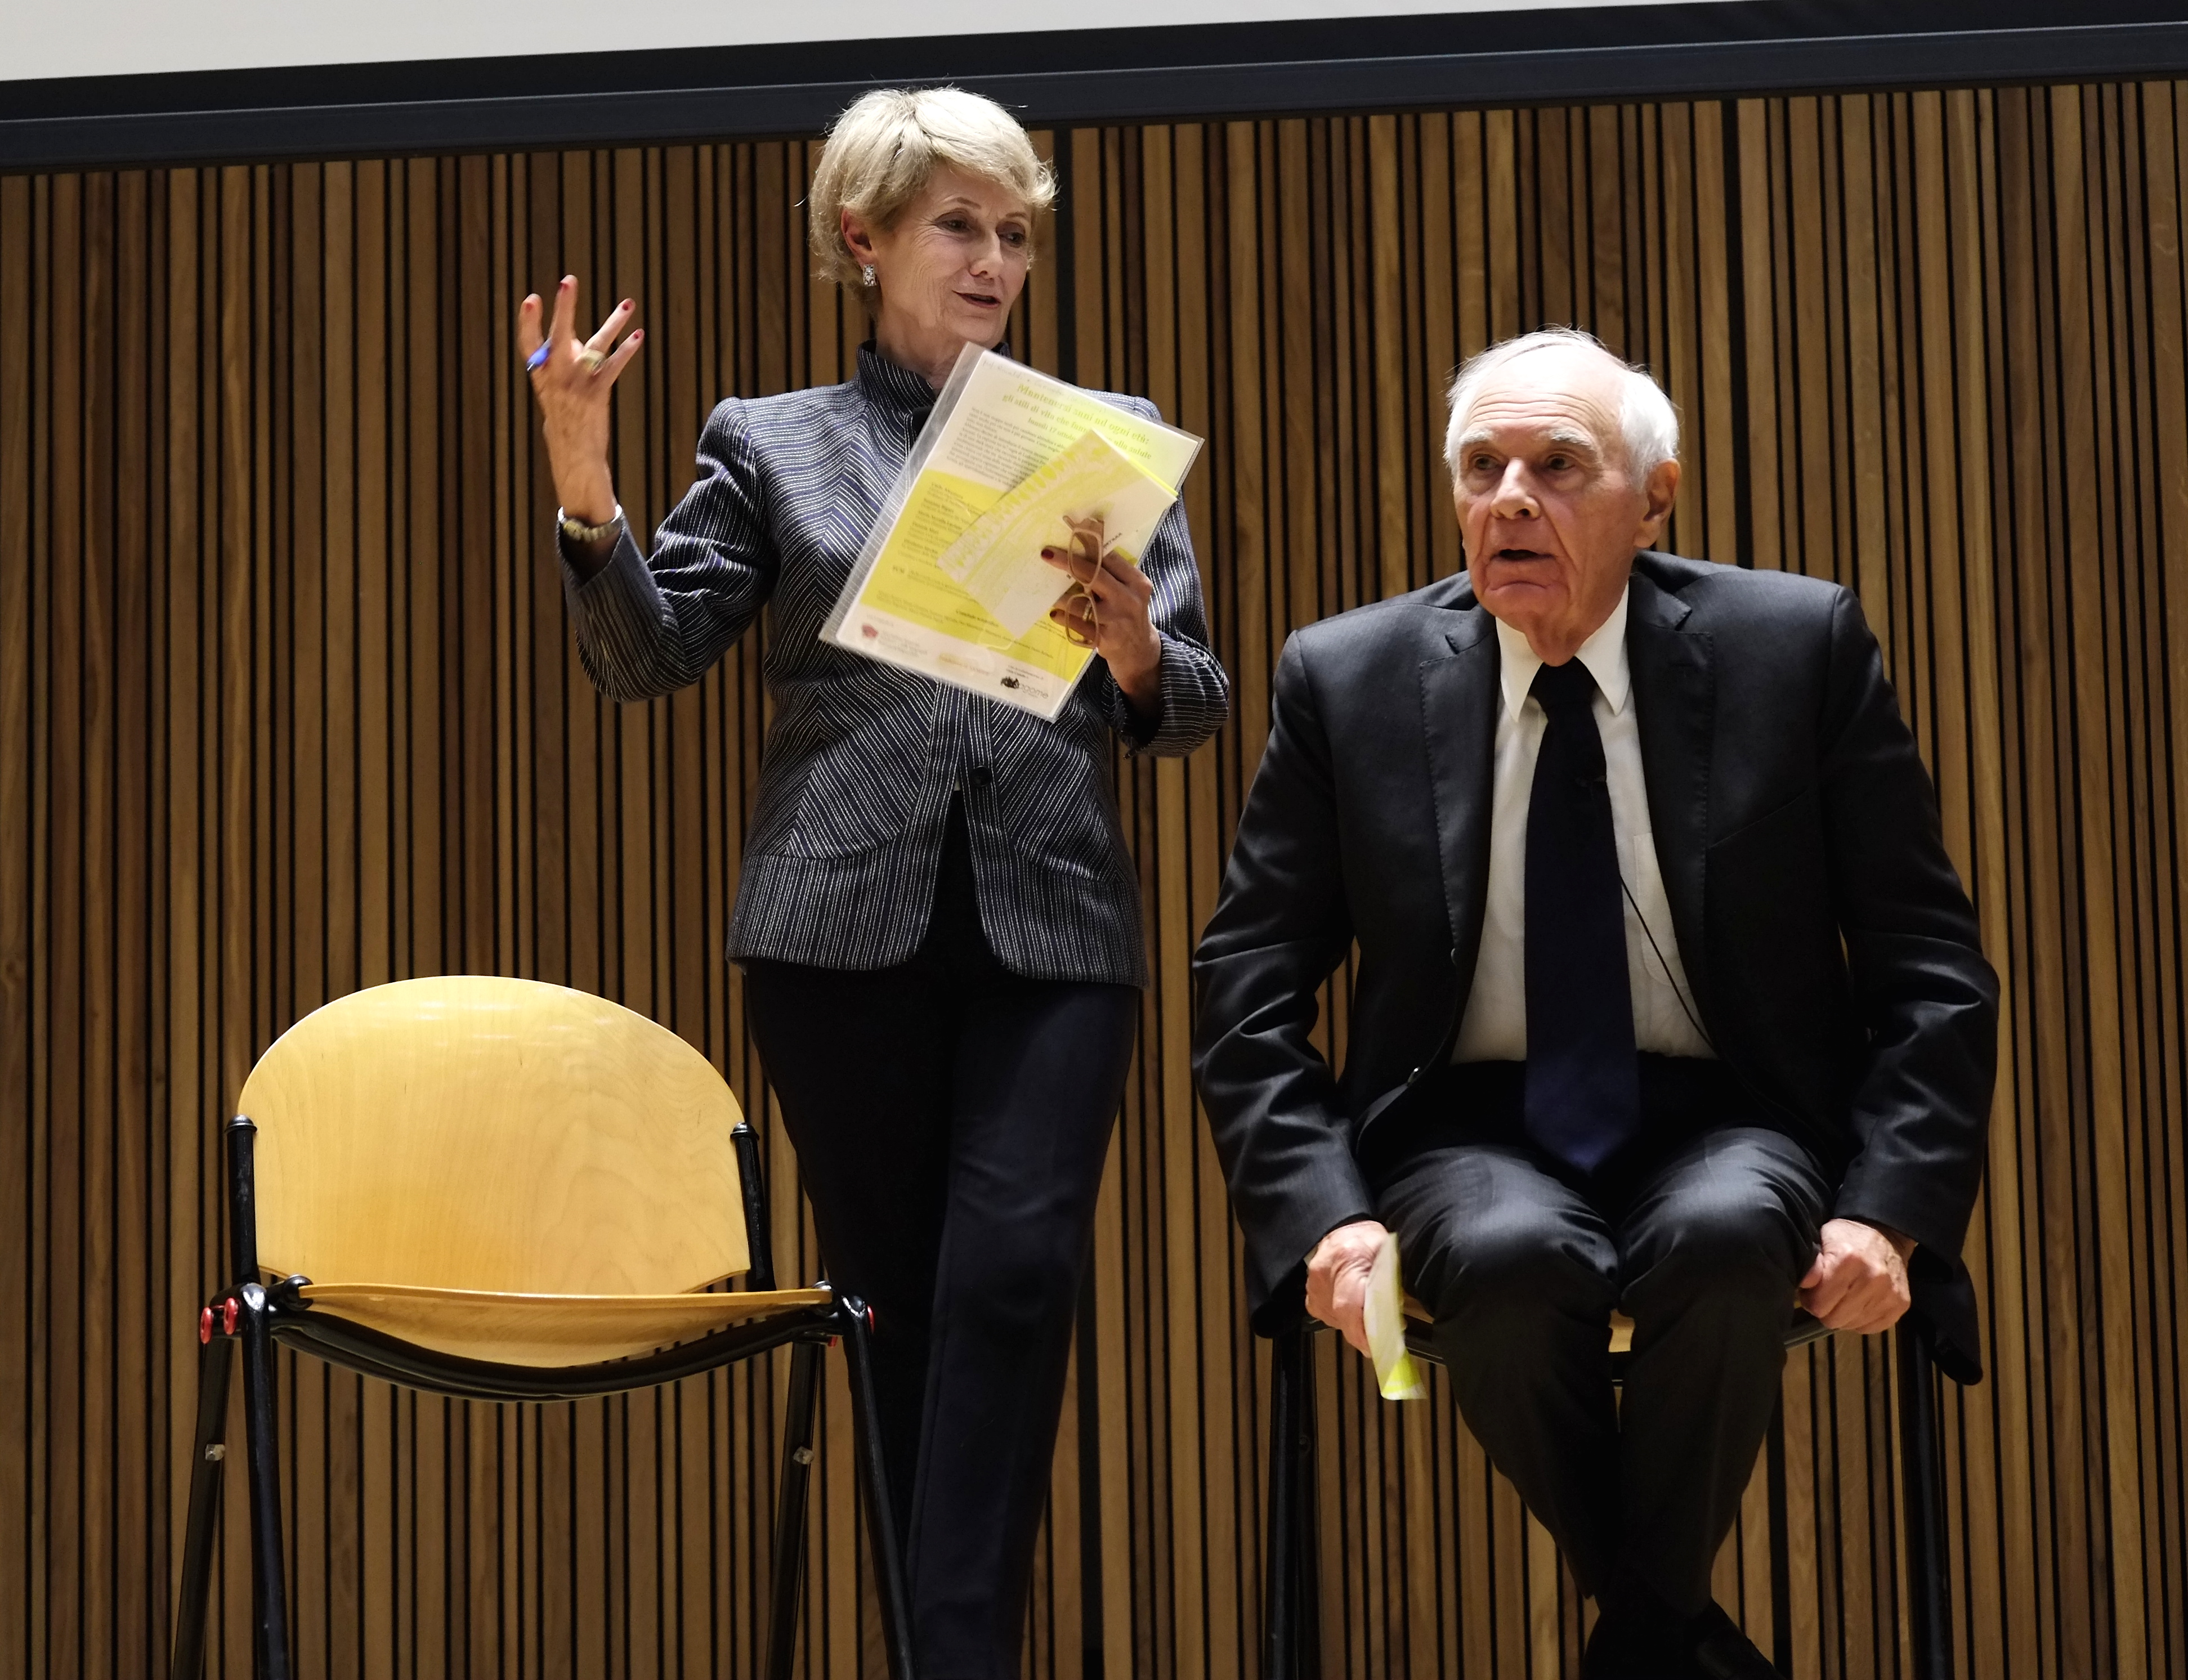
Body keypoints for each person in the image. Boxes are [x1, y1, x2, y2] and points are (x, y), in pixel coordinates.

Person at [518, 87, 1229, 1679]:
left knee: (1019, 1275)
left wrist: (1132, 646)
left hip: (1056, 924)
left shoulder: (1096, 443)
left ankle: (951, 1653)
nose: (994, 262)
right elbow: (646, 656)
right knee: (893, 1311)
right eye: (959, 227)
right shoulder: (771, 440)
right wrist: (584, 487)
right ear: (866, 239)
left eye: (1016, 234)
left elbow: (1191, 703)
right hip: (838, 932)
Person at [1191, 329, 1994, 1678]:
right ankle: (1674, 1641)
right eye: (1482, 467)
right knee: (1509, 1261)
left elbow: (1930, 961)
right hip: (1462, 1130)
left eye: (1558, 465)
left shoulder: (1792, 647)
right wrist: (1323, 1215)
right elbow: (1247, 982)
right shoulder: (1350, 675)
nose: (1511, 497)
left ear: (1655, 500)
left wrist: (1886, 1208)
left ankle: (1646, 1643)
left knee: (1729, 1234)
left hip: (1734, 1116)